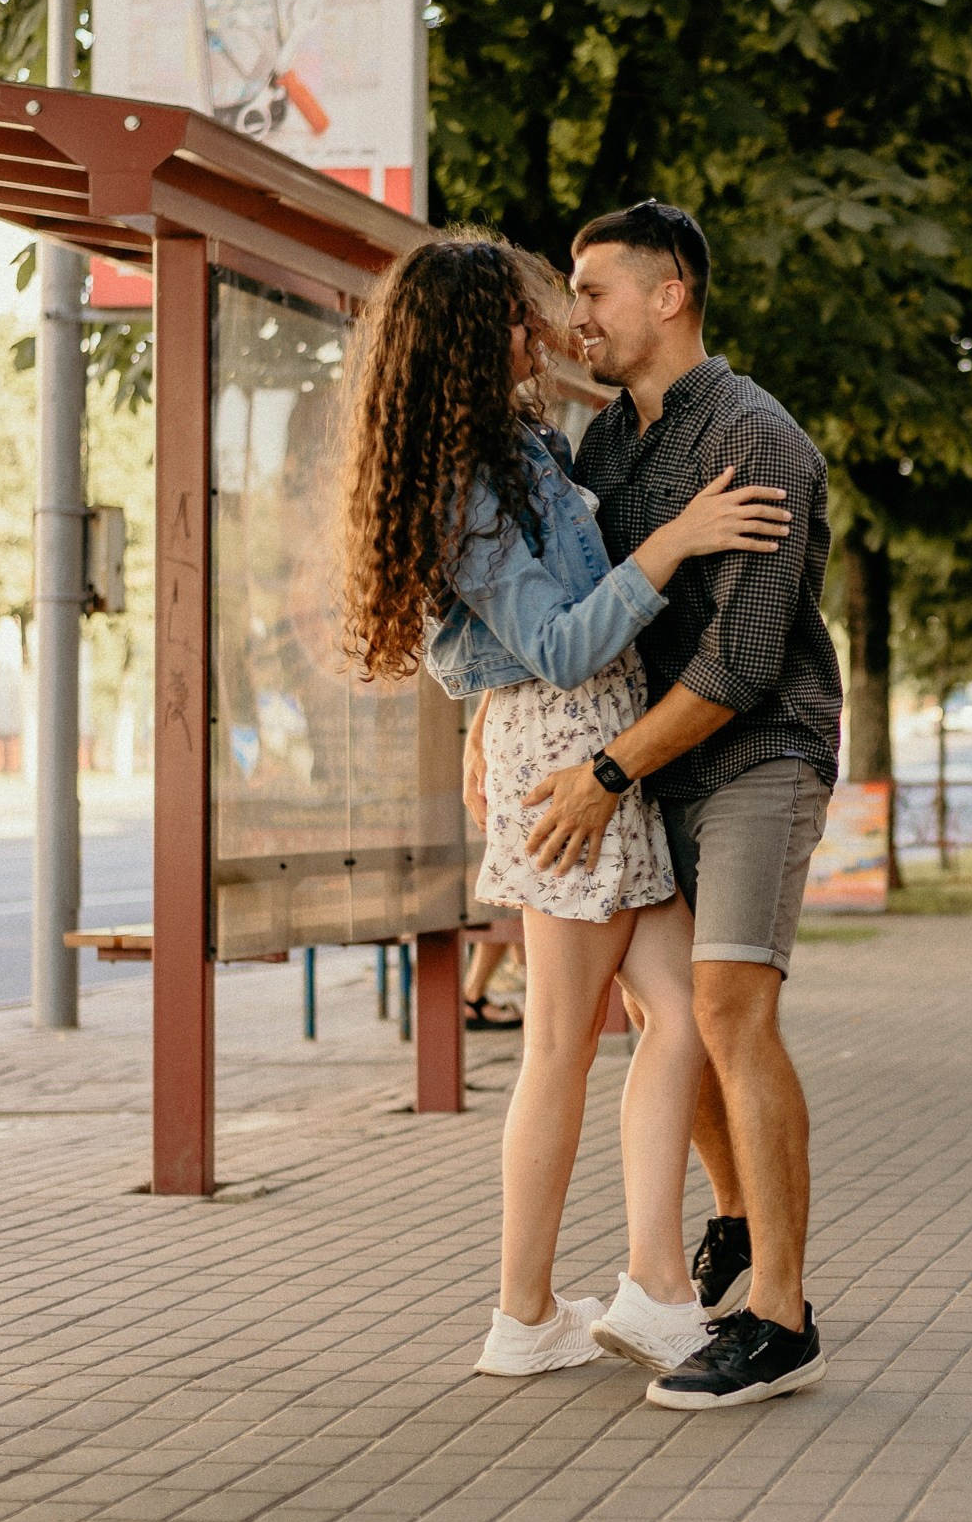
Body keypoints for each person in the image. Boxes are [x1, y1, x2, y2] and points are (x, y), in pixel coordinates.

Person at [336, 228, 792, 1381]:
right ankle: (524, 1311)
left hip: (591, 745)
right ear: (467, 335)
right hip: (571, 751)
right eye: (521, 310)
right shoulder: (472, 478)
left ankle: (649, 1284)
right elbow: (548, 638)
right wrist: (678, 542)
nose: (542, 324)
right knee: (556, 1048)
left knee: (677, 1014)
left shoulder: (516, 443)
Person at [521, 200, 844, 1411]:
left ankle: (782, 1316)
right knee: (675, 1012)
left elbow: (744, 658)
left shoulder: (760, 438)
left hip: (757, 748)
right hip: (654, 763)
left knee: (726, 1002)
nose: (576, 312)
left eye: (593, 288)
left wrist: (603, 778)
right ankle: (737, 1222)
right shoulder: (605, 443)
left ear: (668, 297)